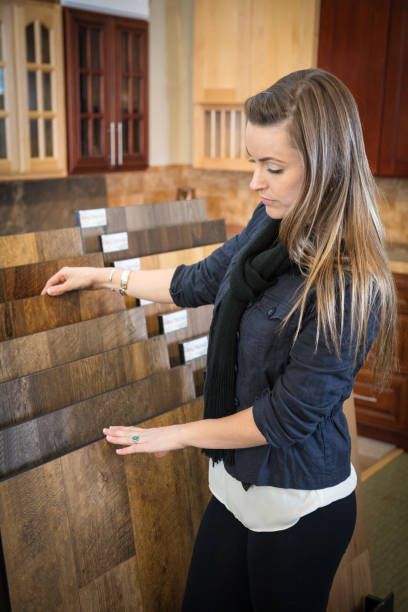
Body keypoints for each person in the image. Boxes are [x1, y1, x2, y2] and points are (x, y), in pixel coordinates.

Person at [41, 68, 398, 611]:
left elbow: (284, 418)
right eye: (254, 162)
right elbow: (197, 281)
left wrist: (177, 435)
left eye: (273, 167)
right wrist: (103, 276)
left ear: (327, 169)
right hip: (234, 491)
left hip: (298, 506)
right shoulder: (268, 224)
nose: (255, 182)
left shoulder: (347, 283)